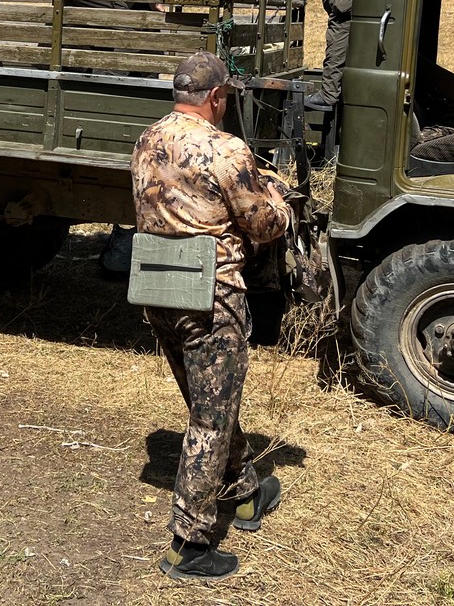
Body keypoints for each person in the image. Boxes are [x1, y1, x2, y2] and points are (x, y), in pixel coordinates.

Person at [132, 50, 293, 581]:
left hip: (157, 286)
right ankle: (189, 543)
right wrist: (281, 198)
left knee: (209, 399)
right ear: (217, 98)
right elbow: (264, 225)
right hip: (211, 292)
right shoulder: (227, 149)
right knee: (210, 413)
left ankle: (244, 492)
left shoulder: (147, 139)